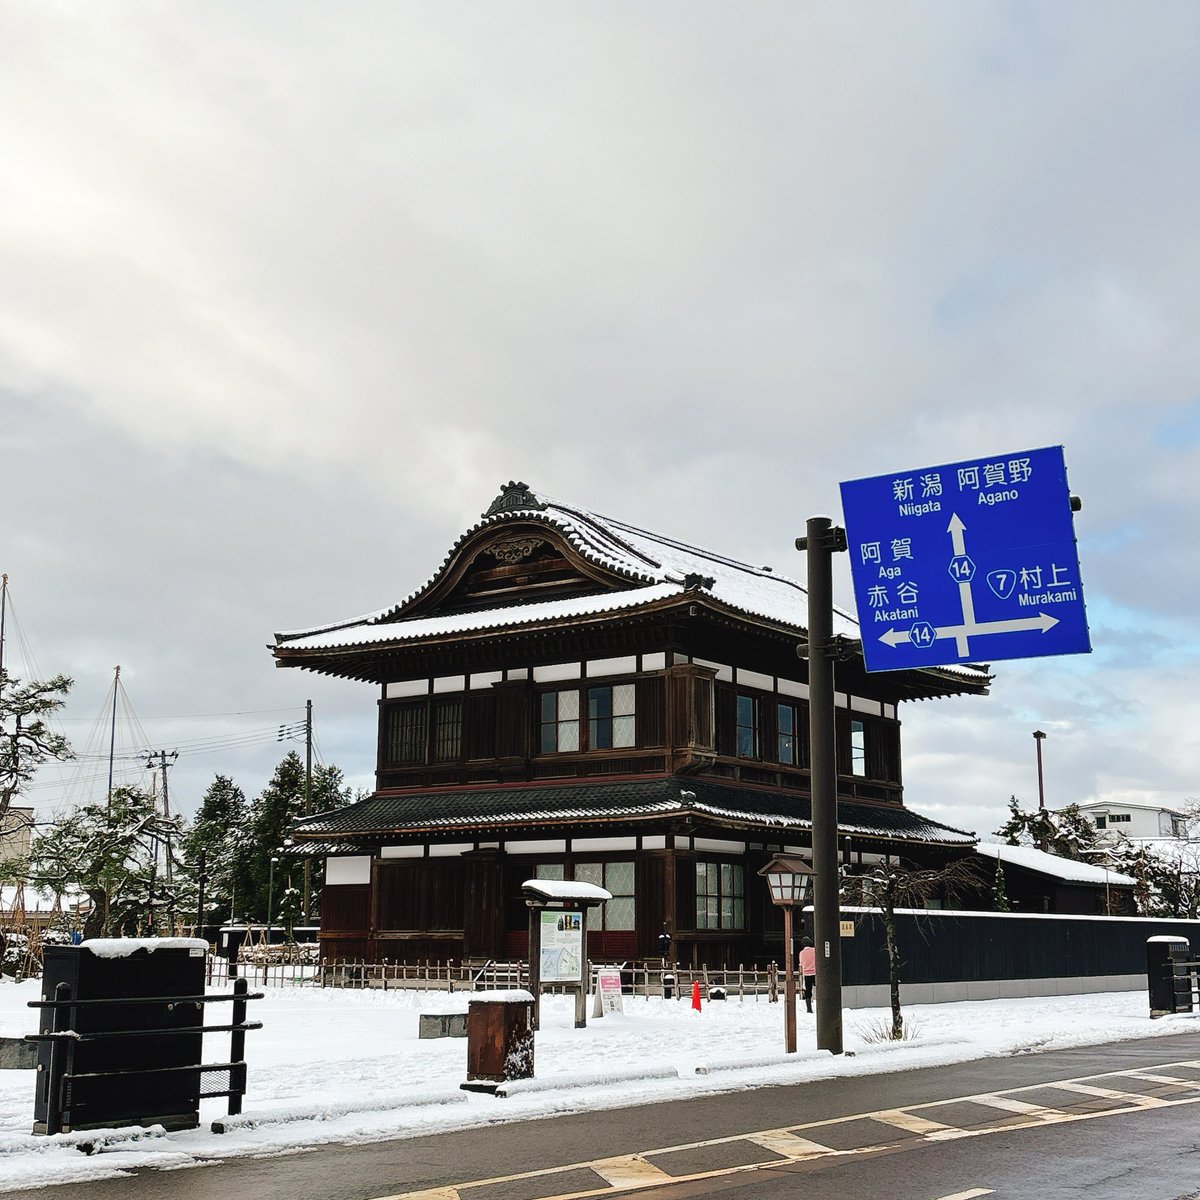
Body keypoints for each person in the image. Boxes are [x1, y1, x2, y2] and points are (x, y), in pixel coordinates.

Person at [798, 936, 817, 1013]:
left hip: (806, 974)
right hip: (816, 973)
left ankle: (809, 1008)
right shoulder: (815, 950)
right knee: (818, 989)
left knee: (808, 991)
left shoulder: (801, 953)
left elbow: (801, 963)